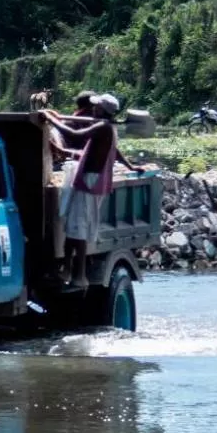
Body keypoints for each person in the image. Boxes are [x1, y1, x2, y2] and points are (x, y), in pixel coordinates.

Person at [41, 94, 139, 289]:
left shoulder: (103, 127)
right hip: (87, 180)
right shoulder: (107, 127)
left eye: (96, 107)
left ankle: (79, 276)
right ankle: (68, 270)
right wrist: (131, 167)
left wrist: (51, 119)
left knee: (79, 229)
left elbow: (74, 135)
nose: (93, 109)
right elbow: (115, 152)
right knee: (72, 227)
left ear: (102, 110)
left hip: (89, 181)